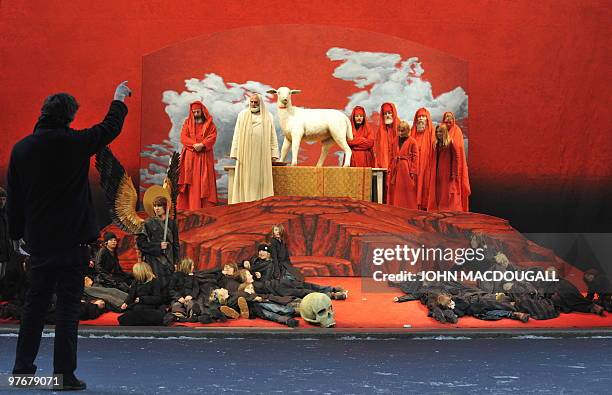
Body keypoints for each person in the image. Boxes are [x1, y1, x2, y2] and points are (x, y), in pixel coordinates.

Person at [7, 81, 131, 390]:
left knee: (34, 308)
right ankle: (64, 377)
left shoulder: (21, 149)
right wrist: (118, 98)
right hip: (74, 243)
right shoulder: (76, 143)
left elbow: (16, 199)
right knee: (67, 310)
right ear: (70, 117)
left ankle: (22, 370)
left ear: (43, 113)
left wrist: (16, 235)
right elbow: (109, 127)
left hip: (40, 243)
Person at [230, 93, 279, 204]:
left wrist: (274, 153)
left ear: (260, 102)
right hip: (244, 153)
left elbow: (272, 135)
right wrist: (235, 151)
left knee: (260, 180)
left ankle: (261, 203)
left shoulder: (268, 116)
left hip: (262, 154)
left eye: (255, 102)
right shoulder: (242, 115)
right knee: (246, 180)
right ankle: (244, 203)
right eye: (251, 102)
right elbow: (237, 133)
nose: (253, 104)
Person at [177, 101, 218, 209]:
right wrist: (194, 145)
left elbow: (212, 136)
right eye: (193, 112)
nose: (195, 115)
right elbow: (183, 137)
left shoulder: (210, 124)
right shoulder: (187, 123)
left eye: (198, 112)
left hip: (205, 157)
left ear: (203, 111)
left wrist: (203, 144)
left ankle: (205, 210)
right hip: (190, 158)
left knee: (205, 183)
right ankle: (189, 207)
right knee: (191, 184)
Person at [136, 196, 179, 294]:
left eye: (159, 205)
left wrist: (176, 261)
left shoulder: (172, 223)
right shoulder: (148, 223)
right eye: (155, 206)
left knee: (170, 285)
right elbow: (141, 244)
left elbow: (176, 244)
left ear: (165, 207)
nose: (157, 208)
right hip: (154, 259)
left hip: (169, 258)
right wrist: (158, 246)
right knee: (158, 286)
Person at [427, 124, 462, 211]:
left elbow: (456, 159)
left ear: (445, 132)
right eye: (437, 132)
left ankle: (447, 210)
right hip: (438, 172)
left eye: (440, 132)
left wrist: (454, 174)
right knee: (439, 192)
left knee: (446, 193)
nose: (438, 134)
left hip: (447, 173)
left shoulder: (451, 143)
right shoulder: (436, 144)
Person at [442, 112, 471, 211]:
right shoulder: (441, 131)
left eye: (450, 117)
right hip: (444, 166)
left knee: (454, 190)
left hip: (455, 166)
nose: (448, 119)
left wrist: (455, 172)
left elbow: (458, 149)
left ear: (453, 120)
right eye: (446, 117)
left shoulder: (457, 131)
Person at [387, 121, 418, 209]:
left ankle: (408, 208)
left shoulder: (412, 141)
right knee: (395, 189)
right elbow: (391, 155)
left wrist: (412, 171)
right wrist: (389, 168)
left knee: (407, 190)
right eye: (399, 130)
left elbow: (415, 158)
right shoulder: (395, 140)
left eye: (403, 131)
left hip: (406, 169)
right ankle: (395, 207)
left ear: (407, 130)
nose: (400, 133)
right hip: (395, 167)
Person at [410, 108, 436, 210]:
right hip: (415, 165)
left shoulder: (432, 132)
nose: (421, 119)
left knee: (425, 186)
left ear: (427, 118)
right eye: (419, 117)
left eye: (423, 116)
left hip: (427, 165)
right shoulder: (412, 132)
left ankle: (425, 207)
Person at [374, 102, 400, 170]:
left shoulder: (401, 127)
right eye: (385, 114)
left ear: (393, 113)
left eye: (389, 113)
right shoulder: (380, 131)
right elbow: (377, 151)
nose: (387, 115)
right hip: (384, 167)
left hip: (398, 165)